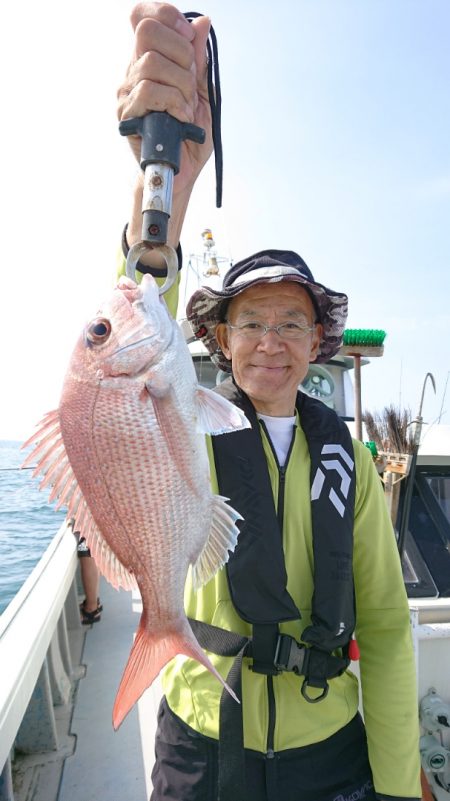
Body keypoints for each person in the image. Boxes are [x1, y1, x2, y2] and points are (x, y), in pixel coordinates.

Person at [117, 4, 421, 800]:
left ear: (319, 341)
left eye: (294, 322)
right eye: (251, 322)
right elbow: (129, 324)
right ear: (220, 342)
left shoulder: (348, 462)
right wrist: (164, 191)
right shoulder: (184, 422)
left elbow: (386, 626)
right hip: (203, 733)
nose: (271, 342)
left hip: (329, 745)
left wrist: (394, 783)